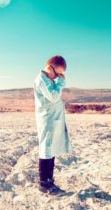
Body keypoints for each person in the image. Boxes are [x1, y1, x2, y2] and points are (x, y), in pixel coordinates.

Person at [33, 55, 71, 194]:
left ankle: (50, 181)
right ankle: (44, 183)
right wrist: (61, 83)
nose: (58, 77)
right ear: (50, 67)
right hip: (47, 119)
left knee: (51, 149)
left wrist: (57, 81)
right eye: (58, 73)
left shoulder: (48, 80)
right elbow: (54, 96)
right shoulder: (42, 80)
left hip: (53, 119)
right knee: (46, 149)